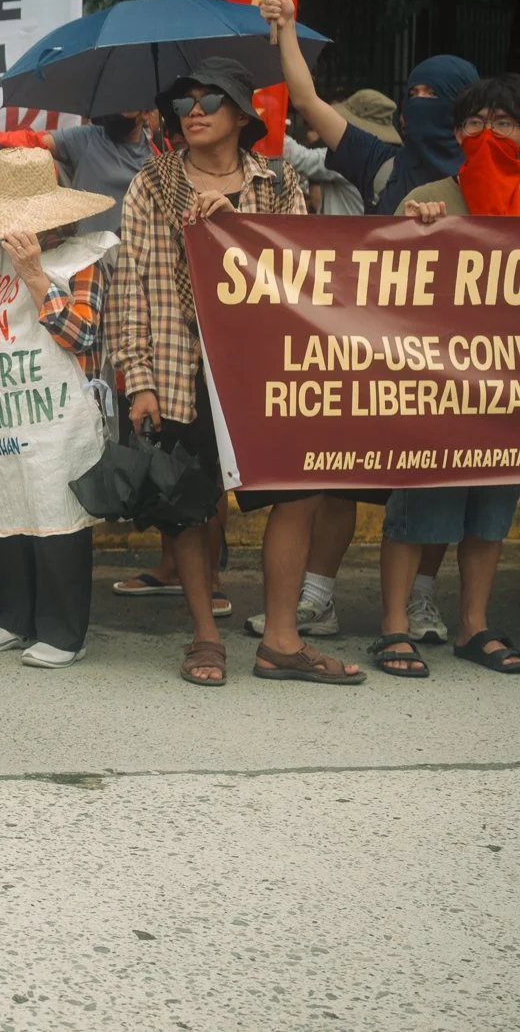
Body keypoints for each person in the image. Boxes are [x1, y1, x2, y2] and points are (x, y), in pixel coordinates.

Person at [112, 58, 363, 688]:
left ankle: (281, 639)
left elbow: (306, 274)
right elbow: (131, 287)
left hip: (263, 365)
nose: (192, 110)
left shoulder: (275, 185)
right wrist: (137, 378)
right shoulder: (152, 182)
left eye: (210, 99)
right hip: (179, 364)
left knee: (297, 492)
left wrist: (235, 229)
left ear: (243, 116)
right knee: (190, 502)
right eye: (185, 101)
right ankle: (203, 635)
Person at [0, 150, 116, 668]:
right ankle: (13, 619)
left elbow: (81, 334)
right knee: (9, 507)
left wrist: (35, 275)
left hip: (56, 413)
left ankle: (63, 631)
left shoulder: (82, 259)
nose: (14, 230)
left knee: (56, 513)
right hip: (0, 410)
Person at [367, 75, 520, 678]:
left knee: (490, 514)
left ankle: (473, 628)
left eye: (504, 124)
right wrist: (414, 233)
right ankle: (393, 628)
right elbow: (383, 289)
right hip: (437, 392)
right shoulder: (427, 199)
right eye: (476, 125)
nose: (489, 135)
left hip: (507, 395)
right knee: (418, 511)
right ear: (457, 135)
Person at [259, 0, 477, 215]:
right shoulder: (379, 163)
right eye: (413, 94)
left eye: (432, 94)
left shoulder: (494, 179)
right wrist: (286, 26)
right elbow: (306, 101)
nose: (419, 102)